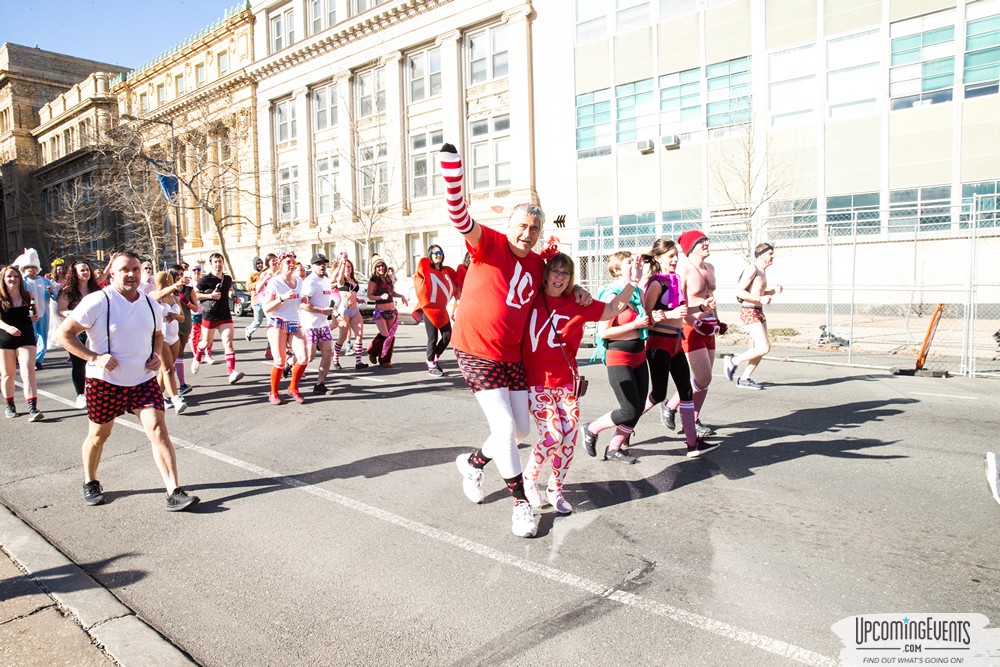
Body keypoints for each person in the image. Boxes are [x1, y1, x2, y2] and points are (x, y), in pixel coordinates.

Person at [439, 143, 590, 538]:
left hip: (513, 356)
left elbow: (558, 284)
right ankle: (522, 504)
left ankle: (473, 463)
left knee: (520, 431)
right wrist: (452, 173)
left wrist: (579, 293)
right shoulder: (487, 243)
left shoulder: (538, 263)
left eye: (534, 229)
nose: (526, 234)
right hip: (475, 349)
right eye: (522, 226)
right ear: (510, 225)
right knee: (505, 427)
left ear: (540, 234)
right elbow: (459, 216)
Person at [55, 252, 199, 511]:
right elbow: (63, 334)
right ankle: (90, 481)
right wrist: (94, 357)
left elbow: (157, 333)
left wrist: (155, 354)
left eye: (135, 269)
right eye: (124, 270)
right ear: (113, 273)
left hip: (142, 380)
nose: (131, 274)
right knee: (99, 435)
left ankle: (174, 491)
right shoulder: (98, 301)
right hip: (105, 382)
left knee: (158, 429)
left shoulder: (150, 303)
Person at [522, 250, 641, 513]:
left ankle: (555, 488)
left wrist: (632, 282)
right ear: (545, 274)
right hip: (536, 383)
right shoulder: (531, 299)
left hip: (566, 383)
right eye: (554, 270)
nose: (560, 277)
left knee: (569, 437)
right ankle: (529, 478)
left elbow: (612, 309)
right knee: (552, 436)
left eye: (566, 273)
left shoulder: (578, 304)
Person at [637, 239, 718, 458]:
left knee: (687, 392)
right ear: (658, 258)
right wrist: (669, 315)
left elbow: (681, 310)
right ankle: (625, 427)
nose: (674, 260)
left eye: (675, 255)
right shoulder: (655, 283)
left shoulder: (676, 279)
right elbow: (646, 317)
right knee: (657, 394)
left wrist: (702, 307)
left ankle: (693, 444)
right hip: (659, 345)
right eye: (670, 256)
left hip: (675, 343)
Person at [581, 252, 650, 463]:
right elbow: (603, 332)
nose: (634, 264)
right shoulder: (610, 295)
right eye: (629, 262)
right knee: (628, 409)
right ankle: (591, 429)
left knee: (637, 409)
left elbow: (643, 320)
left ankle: (614, 448)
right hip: (619, 356)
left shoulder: (638, 292)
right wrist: (635, 325)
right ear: (617, 270)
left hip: (639, 353)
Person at [662, 230, 724, 438]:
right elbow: (679, 303)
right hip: (691, 327)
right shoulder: (683, 268)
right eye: (702, 241)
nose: (707, 243)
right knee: (702, 377)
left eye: (707, 240)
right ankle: (674, 408)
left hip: (708, 326)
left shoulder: (710, 267)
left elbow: (710, 297)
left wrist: (717, 319)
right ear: (691, 247)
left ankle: (690, 416)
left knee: (704, 381)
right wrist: (696, 323)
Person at [725, 242, 783, 390]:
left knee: (761, 348)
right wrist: (760, 299)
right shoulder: (753, 269)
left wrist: (772, 292)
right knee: (764, 347)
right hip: (749, 310)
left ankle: (745, 378)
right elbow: (739, 292)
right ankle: (733, 360)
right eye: (770, 253)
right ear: (761, 254)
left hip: (758, 310)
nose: (773, 256)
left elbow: (758, 292)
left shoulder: (762, 272)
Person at [262, 252, 308, 404]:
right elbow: (267, 308)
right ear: (281, 265)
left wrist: (304, 299)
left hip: (294, 322)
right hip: (277, 322)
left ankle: (293, 388)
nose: (291, 264)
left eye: (293, 262)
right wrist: (281, 298)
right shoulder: (274, 282)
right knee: (280, 361)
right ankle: (273, 392)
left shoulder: (299, 281)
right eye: (287, 262)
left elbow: (300, 302)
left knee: (303, 357)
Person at [192, 252, 244, 384]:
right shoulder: (206, 279)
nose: (218, 264)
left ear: (223, 263)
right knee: (206, 343)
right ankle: (198, 356)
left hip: (225, 315)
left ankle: (231, 373)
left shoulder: (227, 278)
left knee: (228, 343)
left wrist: (234, 297)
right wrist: (210, 296)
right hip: (210, 315)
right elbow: (195, 295)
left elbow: (230, 289)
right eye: (215, 262)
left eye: (219, 261)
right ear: (210, 264)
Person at [0, 265, 44, 420]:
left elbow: (34, 315)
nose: (13, 279)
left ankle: (33, 407)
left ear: (20, 279)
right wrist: (8, 328)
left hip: (26, 337)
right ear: (3, 279)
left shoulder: (28, 295)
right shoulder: (1, 297)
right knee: (7, 374)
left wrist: (35, 314)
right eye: (9, 277)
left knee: (28, 371)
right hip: (4, 340)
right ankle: (10, 405)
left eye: (16, 276)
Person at [57, 260, 101, 409]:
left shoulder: (96, 290)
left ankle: (95, 390)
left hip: (95, 330)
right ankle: (80, 394)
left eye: (87, 270)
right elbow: (60, 310)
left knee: (97, 361)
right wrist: (67, 313)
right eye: (82, 270)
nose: (86, 272)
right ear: (75, 273)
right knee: (79, 363)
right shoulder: (68, 291)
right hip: (77, 331)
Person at [413, 245, 457, 377]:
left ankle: (434, 358)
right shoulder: (427, 269)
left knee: (447, 336)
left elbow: (457, 281)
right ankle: (431, 365)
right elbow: (420, 271)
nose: (438, 255)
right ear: (430, 255)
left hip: (441, 310)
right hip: (429, 309)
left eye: (440, 252)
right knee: (432, 338)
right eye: (435, 253)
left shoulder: (446, 272)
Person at [300, 253, 339, 394]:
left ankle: (319, 384)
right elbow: (303, 305)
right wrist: (322, 310)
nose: (322, 266)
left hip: (322, 324)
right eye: (318, 263)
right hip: (309, 324)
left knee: (328, 352)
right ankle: (289, 363)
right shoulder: (309, 282)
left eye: (324, 263)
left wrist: (333, 312)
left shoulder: (326, 280)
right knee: (309, 356)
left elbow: (327, 301)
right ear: (312, 266)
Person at [151, 269, 188, 414]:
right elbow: (159, 295)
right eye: (170, 280)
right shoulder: (153, 295)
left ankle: (156, 397)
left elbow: (183, 318)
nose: (173, 282)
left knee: (164, 370)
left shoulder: (174, 299)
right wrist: (175, 286)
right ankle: (176, 399)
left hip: (174, 336)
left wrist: (174, 315)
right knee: (168, 369)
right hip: (161, 337)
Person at [15, 249, 56, 370]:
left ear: (36, 269)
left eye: (32, 268)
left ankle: (38, 359)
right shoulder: (22, 281)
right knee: (30, 336)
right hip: (28, 314)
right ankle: (29, 358)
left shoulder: (44, 281)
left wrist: (52, 292)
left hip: (43, 312)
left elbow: (55, 294)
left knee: (42, 336)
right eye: (27, 268)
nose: (30, 270)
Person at [366, 256, 408, 368]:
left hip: (391, 311)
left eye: (382, 265)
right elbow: (369, 296)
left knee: (390, 336)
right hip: (380, 311)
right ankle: (372, 351)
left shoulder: (389, 278)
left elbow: (391, 292)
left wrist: (401, 296)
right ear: (375, 268)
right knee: (384, 334)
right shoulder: (374, 280)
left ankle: (385, 360)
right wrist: (379, 297)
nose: (381, 268)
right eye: (378, 266)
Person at [332, 255, 367, 370]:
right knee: (342, 337)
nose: (348, 269)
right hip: (344, 311)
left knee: (359, 335)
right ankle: (335, 359)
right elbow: (340, 276)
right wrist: (343, 262)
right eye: (346, 267)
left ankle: (358, 362)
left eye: (349, 267)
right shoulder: (341, 281)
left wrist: (357, 299)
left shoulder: (354, 280)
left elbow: (353, 295)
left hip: (355, 310)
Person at [243, 256, 265, 342]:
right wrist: (259, 283)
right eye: (258, 263)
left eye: (261, 263)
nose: (260, 265)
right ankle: (249, 330)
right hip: (256, 301)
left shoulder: (266, 272)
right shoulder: (252, 275)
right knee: (258, 320)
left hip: (266, 299)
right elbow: (248, 287)